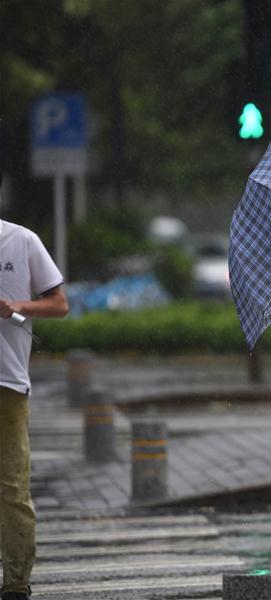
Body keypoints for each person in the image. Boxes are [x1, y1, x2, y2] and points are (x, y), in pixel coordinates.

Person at [0, 182, 69, 600]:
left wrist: (17, 307)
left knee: (11, 487)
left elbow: (59, 303)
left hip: (7, 382)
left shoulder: (21, 240)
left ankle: (16, 580)